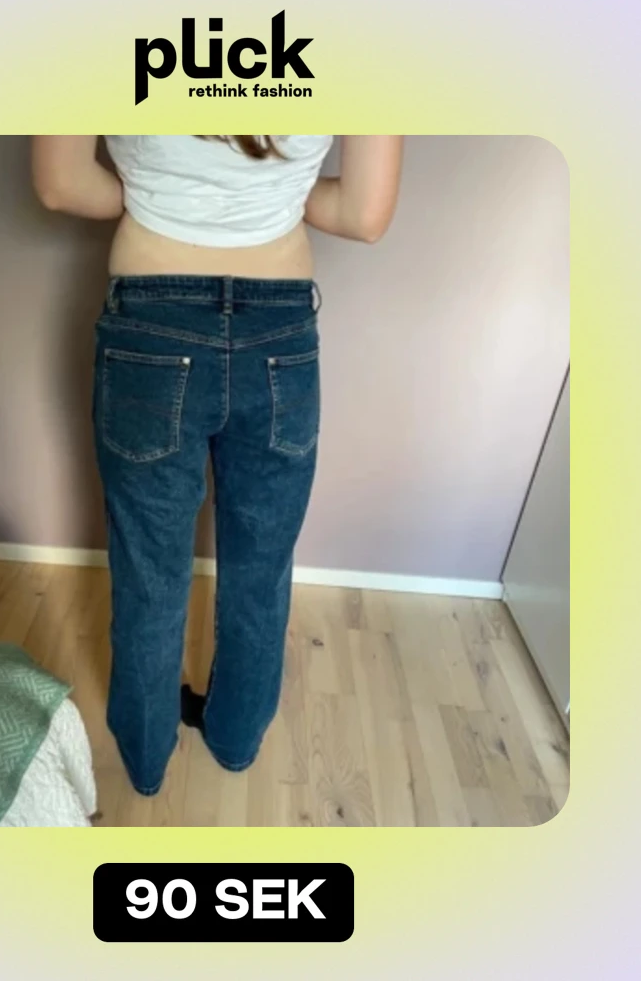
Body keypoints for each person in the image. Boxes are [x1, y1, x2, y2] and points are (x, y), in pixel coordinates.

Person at [31, 134, 404, 796]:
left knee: (149, 571)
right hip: (278, 331)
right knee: (261, 567)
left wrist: (156, 190)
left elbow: (62, 185)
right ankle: (235, 740)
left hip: (150, 324)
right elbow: (364, 216)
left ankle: (146, 756)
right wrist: (273, 191)